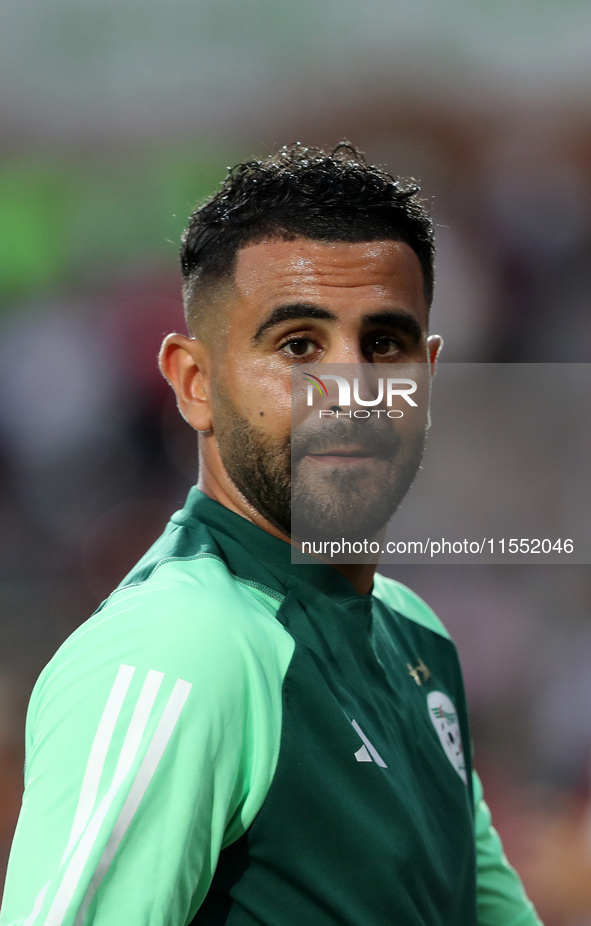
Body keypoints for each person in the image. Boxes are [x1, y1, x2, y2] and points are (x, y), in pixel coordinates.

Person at [0, 143, 541, 925]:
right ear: (195, 383)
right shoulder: (180, 650)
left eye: (384, 346)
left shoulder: (415, 636)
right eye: (297, 346)